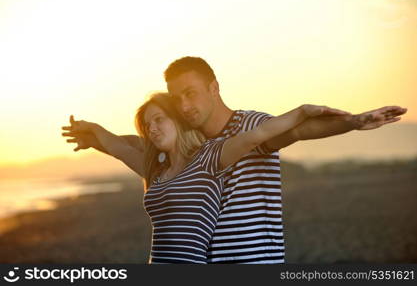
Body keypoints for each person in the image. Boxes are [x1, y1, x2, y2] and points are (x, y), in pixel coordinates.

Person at [63, 57, 407, 263]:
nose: (184, 105)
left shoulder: (250, 125)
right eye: (177, 98)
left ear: (214, 87)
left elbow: (300, 130)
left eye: (191, 93)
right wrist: (96, 137)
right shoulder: (191, 146)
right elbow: (140, 146)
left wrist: (355, 121)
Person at [62, 92, 348, 263]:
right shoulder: (155, 171)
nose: (152, 128)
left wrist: (302, 112)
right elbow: (120, 148)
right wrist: (93, 130)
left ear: (179, 120)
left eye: (159, 119)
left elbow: (259, 134)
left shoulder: (209, 160)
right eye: (147, 125)